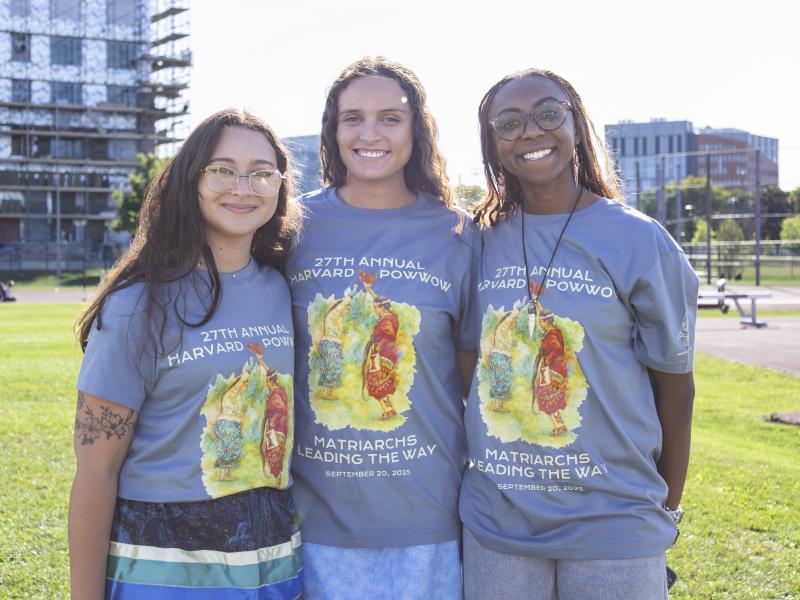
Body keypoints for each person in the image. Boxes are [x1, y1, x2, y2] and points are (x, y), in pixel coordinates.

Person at [460, 68, 698, 600]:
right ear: (492, 144)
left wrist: (667, 505)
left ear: (576, 126)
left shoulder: (637, 239)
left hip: (615, 520)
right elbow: (464, 366)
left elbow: (676, 389)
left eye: (548, 113)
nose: (531, 131)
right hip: (498, 522)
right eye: (509, 122)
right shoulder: (476, 240)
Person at [69, 109, 303, 599]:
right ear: (190, 181)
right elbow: (96, 471)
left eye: (262, 173)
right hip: (166, 570)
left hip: (272, 562)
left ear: (280, 187)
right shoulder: (139, 303)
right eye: (222, 169)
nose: (243, 187)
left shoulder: (283, 288)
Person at [285, 56, 479, 599]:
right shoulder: (290, 228)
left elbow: (467, 382)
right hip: (314, 528)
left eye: (390, 118)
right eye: (353, 118)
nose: (370, 133)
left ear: (417, 129)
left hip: (428, 527)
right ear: (333, 129)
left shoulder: (457, 235)